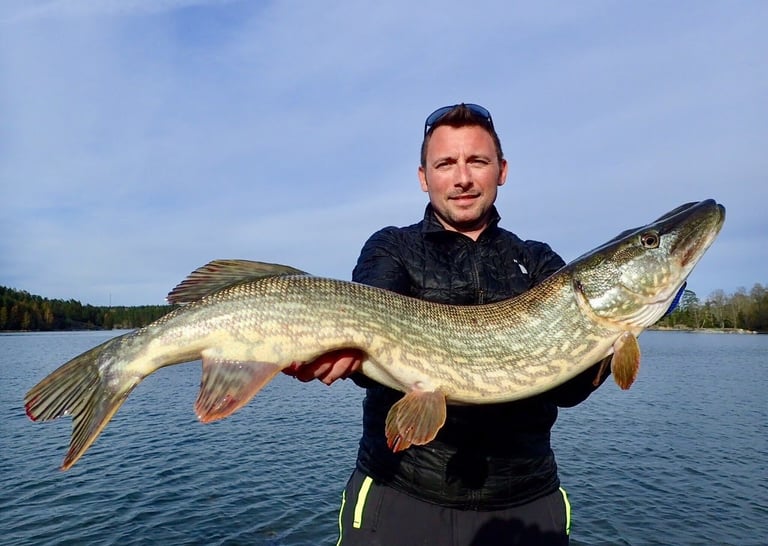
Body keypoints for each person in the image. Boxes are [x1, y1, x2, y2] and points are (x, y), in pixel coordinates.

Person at [284, 103, 613, 545]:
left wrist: (611, 338)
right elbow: (369, 331)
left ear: (502, 170)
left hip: (524, 505)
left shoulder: (538, 261)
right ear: (424, 177)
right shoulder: (392, 247)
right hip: (401, 498)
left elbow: (569, 390)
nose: (462, 178)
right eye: (445, 164)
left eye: (477, 161)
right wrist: (338, 354)